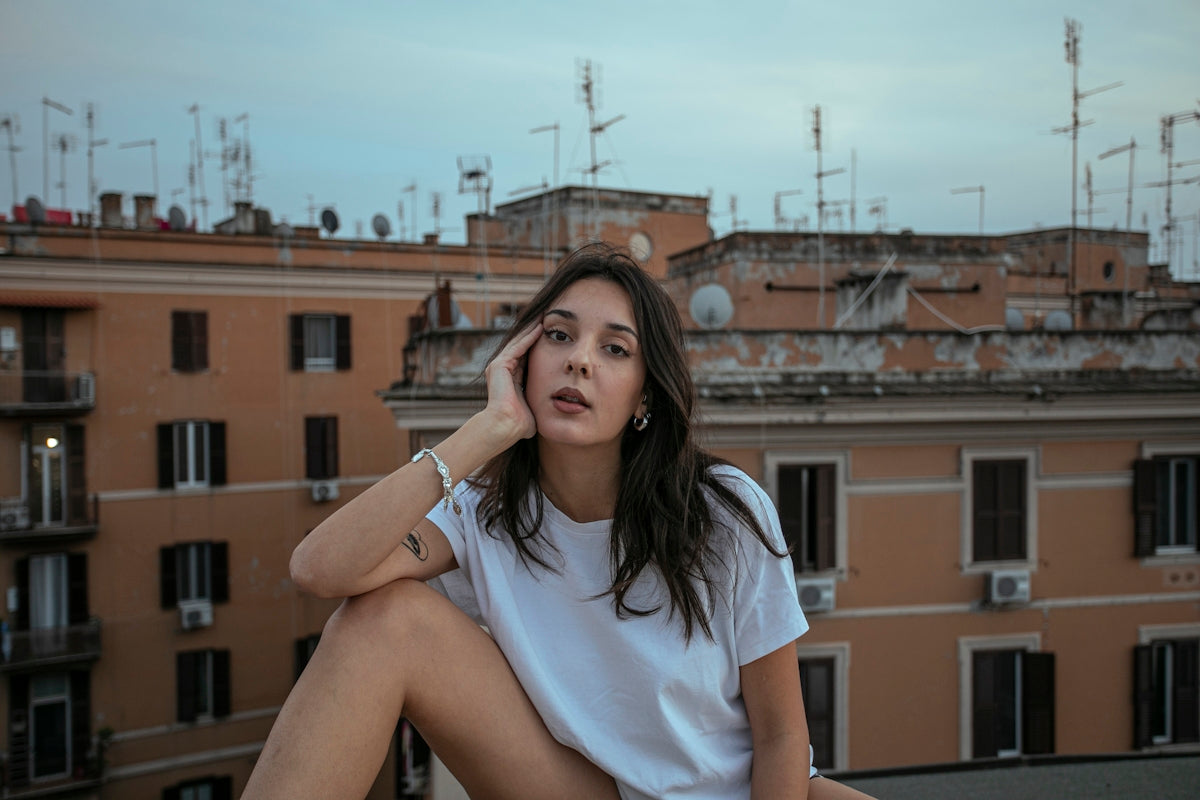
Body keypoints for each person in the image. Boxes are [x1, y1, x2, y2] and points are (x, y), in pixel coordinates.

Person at [243, 244, 875, 800]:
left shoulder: (721, 511)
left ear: (645, 395)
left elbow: (783, 733)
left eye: (615, 349)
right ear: (523, 358)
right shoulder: (483, 507)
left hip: (725, 792)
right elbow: (319, 570)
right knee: (380, 619)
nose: (580, 362)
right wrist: (486, 431)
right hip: (580, 789)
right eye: (560, 335)